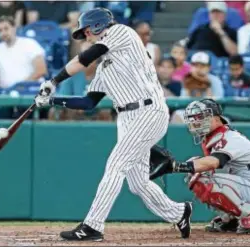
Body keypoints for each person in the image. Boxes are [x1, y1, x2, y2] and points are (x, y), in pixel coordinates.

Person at [34, 8, 192, 241]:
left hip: (149, 110)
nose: (86, 37)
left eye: (87, 31)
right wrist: (51, 101)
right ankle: (180, 212)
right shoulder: (104, 69)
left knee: (115, 166)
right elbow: (88, 102)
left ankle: (93, 225)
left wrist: (54, 80)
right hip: (127, 118)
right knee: (137, 184)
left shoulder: (121, 32)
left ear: (98, 25)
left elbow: (86, 57)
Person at [149, 98, 250, 234]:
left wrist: (174, 166)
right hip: (246, 186)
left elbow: (214, 162)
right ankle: (231, 218)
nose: (196, 121)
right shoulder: (214, 137)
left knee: (201, 176)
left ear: (216, 117)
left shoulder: (229, 137)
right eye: (194, 118)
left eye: (200, 117)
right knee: (196, 171)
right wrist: (175, 167)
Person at [49, 41, 112, 121]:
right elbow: (63, 98)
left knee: (105, 111)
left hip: (97, 117)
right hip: (74, 118)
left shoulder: (105, 75)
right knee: (55, 111)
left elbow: (109, 102)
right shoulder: (71, 75)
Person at [0, 16, 47, 88]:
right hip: (6, 92)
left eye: (6, 29)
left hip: (31, 89)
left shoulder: (30, 44)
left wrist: (21, 86)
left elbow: (41, 70)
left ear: (14, 28)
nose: (3, 33)